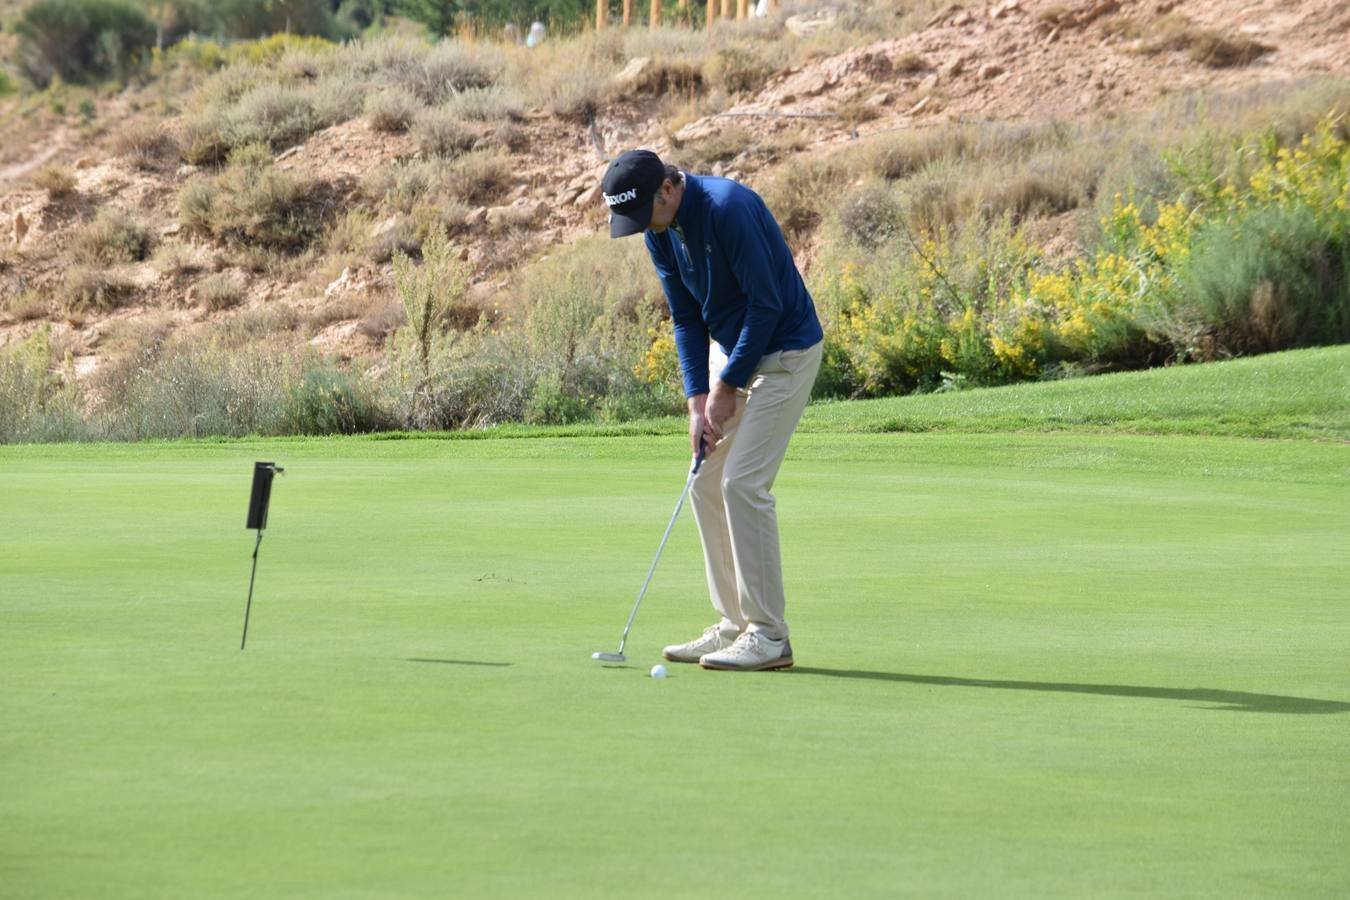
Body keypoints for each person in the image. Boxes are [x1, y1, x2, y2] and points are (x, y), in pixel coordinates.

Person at [601, 149, 824, 672]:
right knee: (703, 478)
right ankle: (733, 625)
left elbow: (765, 305)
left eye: (642, 215)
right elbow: (685, 317)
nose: (641, 230)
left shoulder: (728, 208)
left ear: (667, 189)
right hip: (736, 354)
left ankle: (769, 635)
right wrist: (697, 401)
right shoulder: (660, 231)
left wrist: (728, 386)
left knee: (742, 483)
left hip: (786, 351)